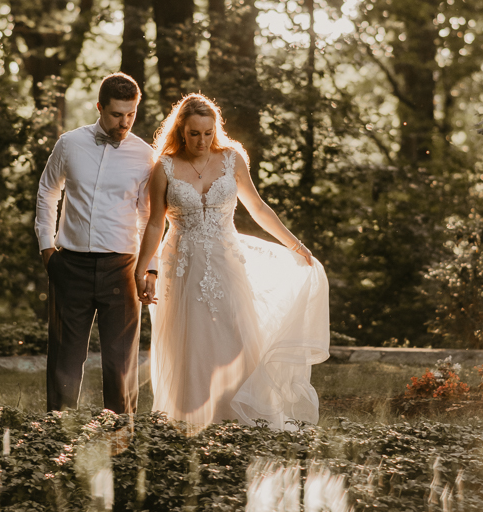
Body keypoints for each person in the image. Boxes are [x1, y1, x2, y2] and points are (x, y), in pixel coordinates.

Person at [135, 94, 329, 433]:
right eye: (194, 133)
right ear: (181, 131)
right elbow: (154, 223)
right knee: (191, 343)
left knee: (236, 335)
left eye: (208, 133)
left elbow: (257, 207)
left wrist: (295, 244)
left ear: (216, 130)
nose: (201, 141)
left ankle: (243, 418)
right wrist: (143, 269)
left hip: (227, 261)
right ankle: (191, 420)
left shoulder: (231, 159)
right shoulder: (163, 167)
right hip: (182, 264)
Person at [35, 72, 155, 417]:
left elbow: (150, 218)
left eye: (131, 114)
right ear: (100, 107)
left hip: (123, 268)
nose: (125, 122)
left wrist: (148, 268)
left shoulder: (144, 156)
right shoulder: (70, 143)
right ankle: (57, 435)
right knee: (64, 361)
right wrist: (47, 248)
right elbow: (48, 191)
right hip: (69, 264)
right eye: (117, 114)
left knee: (120, 364)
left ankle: (120, 437)